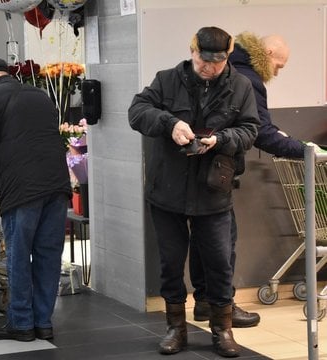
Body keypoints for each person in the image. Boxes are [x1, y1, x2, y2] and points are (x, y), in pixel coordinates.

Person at [128, 27, 260, 357]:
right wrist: (169, 124)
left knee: (219, 262)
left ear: (228, 57)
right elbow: (137, 111)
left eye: (217, 61)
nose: (208, 67)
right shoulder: (166, 80)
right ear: (192, 51)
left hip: (213, 192)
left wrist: (223, 140)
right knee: (171, 263)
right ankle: (176, 328)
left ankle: (222, 329)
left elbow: (250, 130)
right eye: (203, 59)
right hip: (167, 191)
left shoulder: (241, 86)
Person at [190, 32, 319, 328]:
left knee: (202, 239)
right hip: (217, 168)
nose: (278, 72)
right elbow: (261, 132)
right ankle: (223, 306)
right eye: (280, 65)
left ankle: (205, 303)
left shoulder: (222, 70)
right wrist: (306, 149)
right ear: (269, 53)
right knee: (223, 241)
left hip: (192, 165)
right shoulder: (248, 79)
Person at [0, 58, 71, 342]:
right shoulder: (41, 95)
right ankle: (43, 322)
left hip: (21, 189)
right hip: (57, 184)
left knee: (18, 256)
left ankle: (21, 323)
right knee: (48, 256)